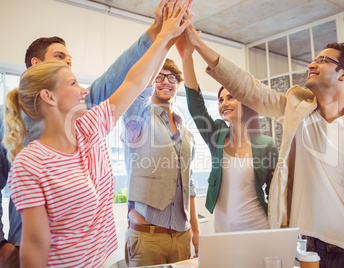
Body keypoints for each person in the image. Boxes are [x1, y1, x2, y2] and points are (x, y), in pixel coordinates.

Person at [183, 20, 344, 268]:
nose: (312, 64)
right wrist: (197, 44)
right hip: (309, 250)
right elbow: (249, 87)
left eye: (323, 60)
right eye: (314, 59)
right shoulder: (296, 110)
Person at [2, 2, 190, 267]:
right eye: (73, 83)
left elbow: (134, 81)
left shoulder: (90, 127)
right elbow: (35, 245)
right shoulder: (30, 163)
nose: (83, 91)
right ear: (48, 96)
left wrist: (165, 36)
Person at [175, 33, 278, 232]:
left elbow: (276, 191)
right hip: (223, 228)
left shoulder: (266, 144)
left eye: (230, 97)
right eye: (221, 100)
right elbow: (197, 109)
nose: (224, 103)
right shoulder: (217, 136)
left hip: (258, 226)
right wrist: (186, 57)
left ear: (245, 101)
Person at [121, 55, 200, 266]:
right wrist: (166, 39)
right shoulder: (137, 119)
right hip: (148, 237)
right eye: (159, 77)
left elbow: (189, 185)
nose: (166, 81)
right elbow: (137, 92)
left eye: (172, 77)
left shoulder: (187, 134)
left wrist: (196, 232)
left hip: (182, 237)